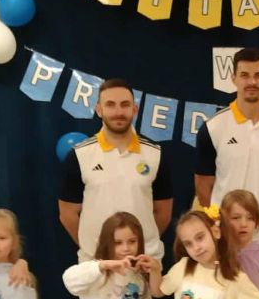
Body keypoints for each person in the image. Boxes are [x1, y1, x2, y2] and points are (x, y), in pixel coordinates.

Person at [194, 48, 259, 264]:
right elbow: (204, 187)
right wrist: (224, 221)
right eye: (244, 75)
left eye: (258, 75)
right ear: (233, 78)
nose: (251, 82)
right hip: (226, 246)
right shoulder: (213, 128)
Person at [57, 78, 173, 263]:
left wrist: (140, 247)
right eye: (110, 105)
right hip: (96, 264)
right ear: (99, 110)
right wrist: (94, 249)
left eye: (125, 105)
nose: (118, 112)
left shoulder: (155, 155)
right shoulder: (79, 155)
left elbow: (163, 212)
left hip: (143, 263)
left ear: (134, 109)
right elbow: (67, 214)